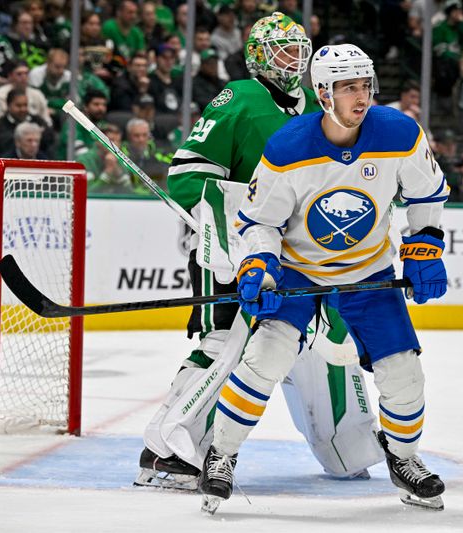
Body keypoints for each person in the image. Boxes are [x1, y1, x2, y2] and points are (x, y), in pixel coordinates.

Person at [198, 43, 448, 513]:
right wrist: (259, 265)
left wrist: (424, 247)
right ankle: (221, 455)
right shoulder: (289, 146)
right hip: (298, 271)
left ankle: (403, 457)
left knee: (404, 374)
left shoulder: (399, 133)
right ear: (323, 93)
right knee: (263, 360)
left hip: (368, 272)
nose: (361, 97)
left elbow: (428, 193)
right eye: (348, 87)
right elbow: (259, 222)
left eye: (365, 85)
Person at [138, 12, 359, 490]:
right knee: (225, 343)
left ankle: (347, 443)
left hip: (299, 256)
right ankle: (167, 452)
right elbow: (187, 176)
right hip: (230, 245)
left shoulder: (316, 106)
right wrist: (237, 218)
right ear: (258, 56)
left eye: (299, 47)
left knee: (306, 344)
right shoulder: (236, 98)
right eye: (282, 49)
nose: (295, 57)